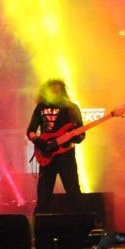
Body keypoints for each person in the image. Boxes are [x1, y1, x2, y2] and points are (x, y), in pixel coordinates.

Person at [27, 79, 84, 213]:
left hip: (66, 156)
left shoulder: (71, 108)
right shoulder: (40, 107)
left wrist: (72, 137)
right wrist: (40, 142)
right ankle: (39, 223)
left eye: (57, 90)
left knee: (74, 193)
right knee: (43, 197)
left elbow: (81, 135)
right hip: (46, 156)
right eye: (52, 90)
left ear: (62, 91)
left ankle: (80, 222)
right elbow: (30, 131)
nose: (54, 93)